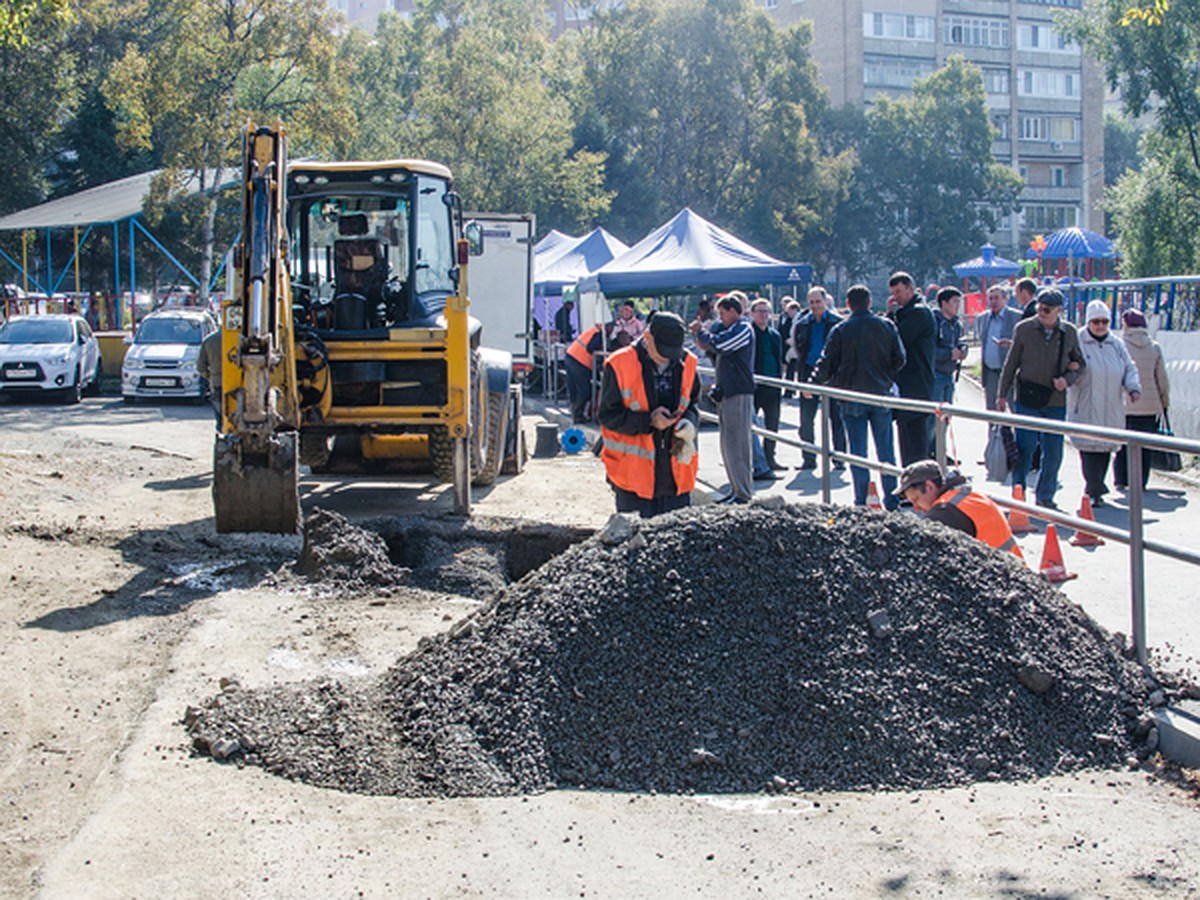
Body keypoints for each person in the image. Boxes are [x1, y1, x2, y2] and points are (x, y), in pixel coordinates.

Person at [597, 312, 700, 519]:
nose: (668, 357)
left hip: (676, 477)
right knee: (636, 542)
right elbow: (608, 416)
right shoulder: (619, 364)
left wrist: (690, 422)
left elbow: (693, 403)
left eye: (674, 351)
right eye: (663, 351)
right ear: (647, 337)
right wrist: (648, 421)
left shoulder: (688, 362)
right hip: (633, 481)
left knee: (675, 544)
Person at [811, 284, 906, 509]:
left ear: (848, 304)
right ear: (870, 302)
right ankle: (891, 499)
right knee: (886, 452)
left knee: (858, 453)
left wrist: (812, 384)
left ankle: (861, 501)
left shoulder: (841, 330)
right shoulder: (886, 326)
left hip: (851, 395)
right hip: (880, 395)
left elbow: (827, 362)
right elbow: (900, 358)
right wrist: (886, 376)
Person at [997, 287, 1086, 510]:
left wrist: (1067, 379)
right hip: (1027, 397)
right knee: (1025, 447)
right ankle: (1018, 492)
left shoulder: (1069, 333)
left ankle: (1045, 496)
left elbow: (1080, 364)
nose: (1042, 313)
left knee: (1053, 450)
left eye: (1047, 310)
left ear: (1058, 311)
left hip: (1055, 399)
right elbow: (1011, 363)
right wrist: (1001, 395)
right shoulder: (1024, 329)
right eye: (1039, 308)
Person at [1067, 300, 1141, 508]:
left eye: (1104, 322)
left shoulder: (1116, 344)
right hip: (1086, 405)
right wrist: (1070, 369)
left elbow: (1129, 368)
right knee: (1088, 449)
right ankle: (1094, 487)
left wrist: (1133, 387)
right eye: (1095, 321)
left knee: (1105, 448)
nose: (1100, 326)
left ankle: (1096, 487)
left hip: (1111, 407)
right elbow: (1067, 364)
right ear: (1088, 321)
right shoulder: (1078, 341)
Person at [691, 291, 755, 504]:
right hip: (727, 391)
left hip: (739, 392)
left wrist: (704, 334)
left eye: (723, 313)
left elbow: (721, 346)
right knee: (728, 445)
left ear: (734, 311)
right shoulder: (728, 329)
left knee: (738, 445)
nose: (720, 318)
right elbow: (713, 350)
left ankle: (743, 492)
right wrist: (702, 338)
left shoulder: (743, 329)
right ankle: (736, 489)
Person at [894, 460, 1023, 559]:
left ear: (929, 486)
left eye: (916, 500)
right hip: (1016, 572)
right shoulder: (965, 494)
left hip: (1000, 580)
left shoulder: (944, 512)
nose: (916, 509)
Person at [1114, 308, 1170, 492]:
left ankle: (1121, 479)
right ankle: (1141, 482)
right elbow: (1162, 378)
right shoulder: (1154, 347)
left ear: (1127, 325)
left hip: (1126, 403)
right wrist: (1164, 402)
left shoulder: (1120, 346)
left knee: (1123, 443)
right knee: (1145, 447)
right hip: (1150, 405)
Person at [792, 287, 846, 471]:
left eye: (818, 302)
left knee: (836, 418)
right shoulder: (803, 323)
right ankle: (809, 458)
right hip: (808, 371)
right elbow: (799, 347)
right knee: (806, 420)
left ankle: (839, 458)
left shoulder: (837, 322)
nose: (815, 306)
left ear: (825, 301)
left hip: (832, 374)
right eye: (812, 302)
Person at [887, 271, 936, 465]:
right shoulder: (909, 312)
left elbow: (898, 339)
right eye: (893, 293)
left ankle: (918, 484)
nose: (895, 297)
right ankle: (911, 483)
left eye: (899, 292)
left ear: (910, 288)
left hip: (916, 383)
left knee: (914, 443)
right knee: (906, 438)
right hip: (908, 383)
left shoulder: (918, 312)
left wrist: (891, 315)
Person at [974, 284, 1023, 410]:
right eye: (990, 299)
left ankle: (1013, 429)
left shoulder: (1017, 317)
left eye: (996, 298)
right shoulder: (983, 318)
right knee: (992, 409)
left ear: (1005, 299)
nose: (993, 302)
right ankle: (993, 429)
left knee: (1015, 408)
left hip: (1010, 372)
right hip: (991, 372)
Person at [749, 298, 784, 473]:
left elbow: (779, 359)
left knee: (773, 424)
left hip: (773, 386)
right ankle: (754, 460)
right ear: (752, 314)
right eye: (760, 311)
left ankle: (770, 457)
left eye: (766, 312)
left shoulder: (775, 335)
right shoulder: (750, 334)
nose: (764, 315)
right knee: (752, 427)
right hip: (755, 387)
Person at [932, 286, 968, 405]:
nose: (958, 305)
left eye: (959, 302)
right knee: (935, 415)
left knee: (947, 414)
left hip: (950, 374)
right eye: (955, 301)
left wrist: (963, 351)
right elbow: (929, 349)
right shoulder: (933, 322)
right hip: (935, 375)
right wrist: (949, 354)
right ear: (944, 303)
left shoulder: (957, 324)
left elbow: (962, 341)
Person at [564, 324, 605, 423]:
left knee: (575, 388)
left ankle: (577, 412)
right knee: (585, 389)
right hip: (579, 361)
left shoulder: (594, 330)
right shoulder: (599, 334)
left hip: (572, 356)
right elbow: (591, 348)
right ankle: (578, 414)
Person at [197, 327, 223, 428]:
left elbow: (200, 367)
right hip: (239, 383)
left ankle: (221, 437)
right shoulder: (239, 339)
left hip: (217, 382)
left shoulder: (209, 340)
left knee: (220, 416)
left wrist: (210, 377)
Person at [778, 297, 802, 394]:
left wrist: (790, 341)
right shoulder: (783, 316)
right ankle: (790, 390)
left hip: (794, 347)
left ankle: (790, 390)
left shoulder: (798, 319)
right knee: (790, 369)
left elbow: (795, 333)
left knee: (792, 368)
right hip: (787, 345)